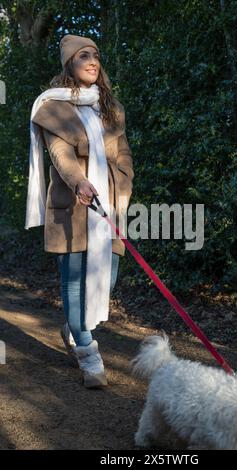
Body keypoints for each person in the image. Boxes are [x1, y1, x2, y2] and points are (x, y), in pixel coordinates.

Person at [25, 34, 134, 389]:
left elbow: (123, 155)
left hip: (109, 207)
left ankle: (74, 330)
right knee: (73, 282)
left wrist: (123, 186)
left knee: (107, 278)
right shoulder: (52, 107)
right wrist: (79, 181)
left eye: (96, 55)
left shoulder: (111, 107)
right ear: (69, 64)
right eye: (82, 55)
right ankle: (88, 354)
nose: (92, 60)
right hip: (72, 206)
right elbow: (61, 154)